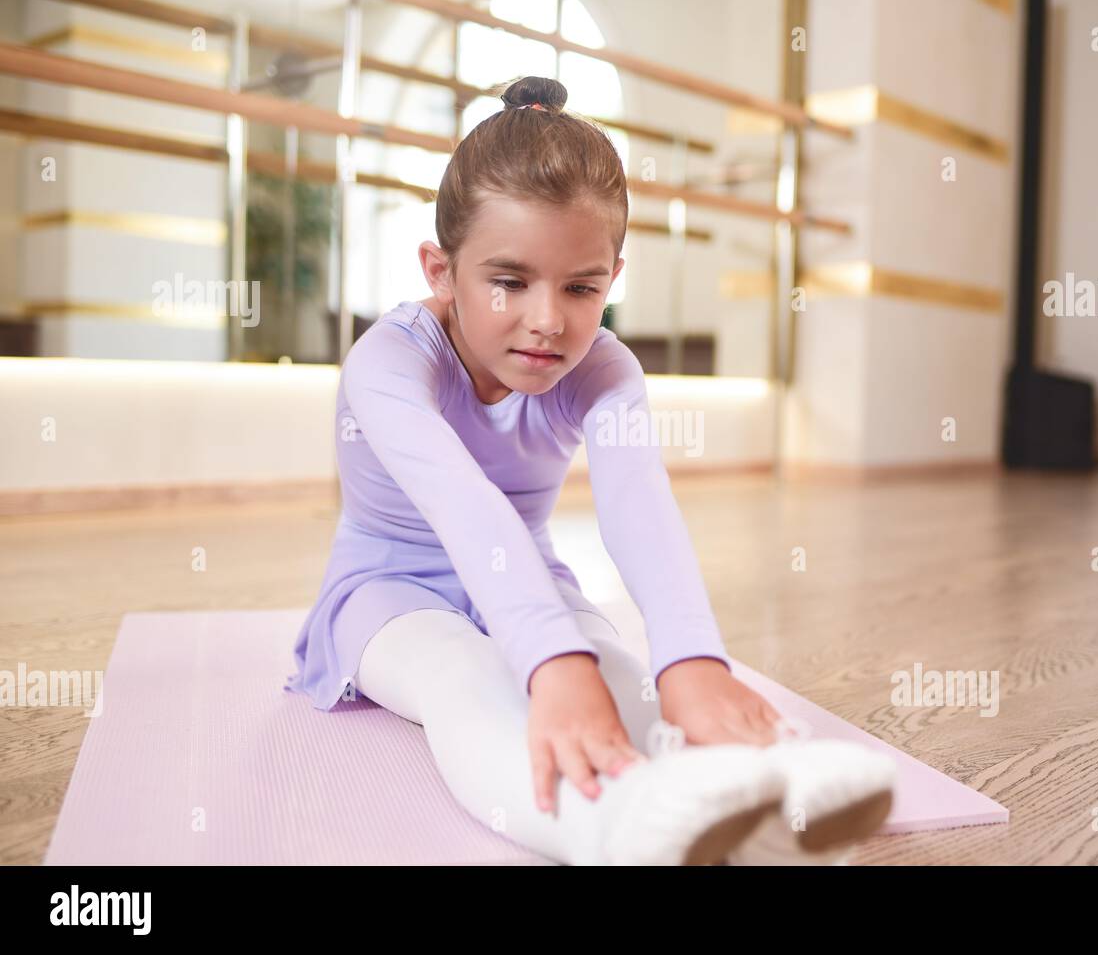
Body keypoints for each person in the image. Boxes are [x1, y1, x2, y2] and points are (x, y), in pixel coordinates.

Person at [285, 75, 895, 865]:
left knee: (621, 674)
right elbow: (464, 505)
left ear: (614, 275)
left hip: (531, 573)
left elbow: (639, 508)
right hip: (387, 589)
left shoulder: (606, 369)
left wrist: (691, 662)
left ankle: (762, 796)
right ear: (440, 270)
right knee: (462, 677)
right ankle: (614, 828)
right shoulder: (388, 364)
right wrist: (552, 665)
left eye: (582, 287)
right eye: (509, 281)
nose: (549, 320)